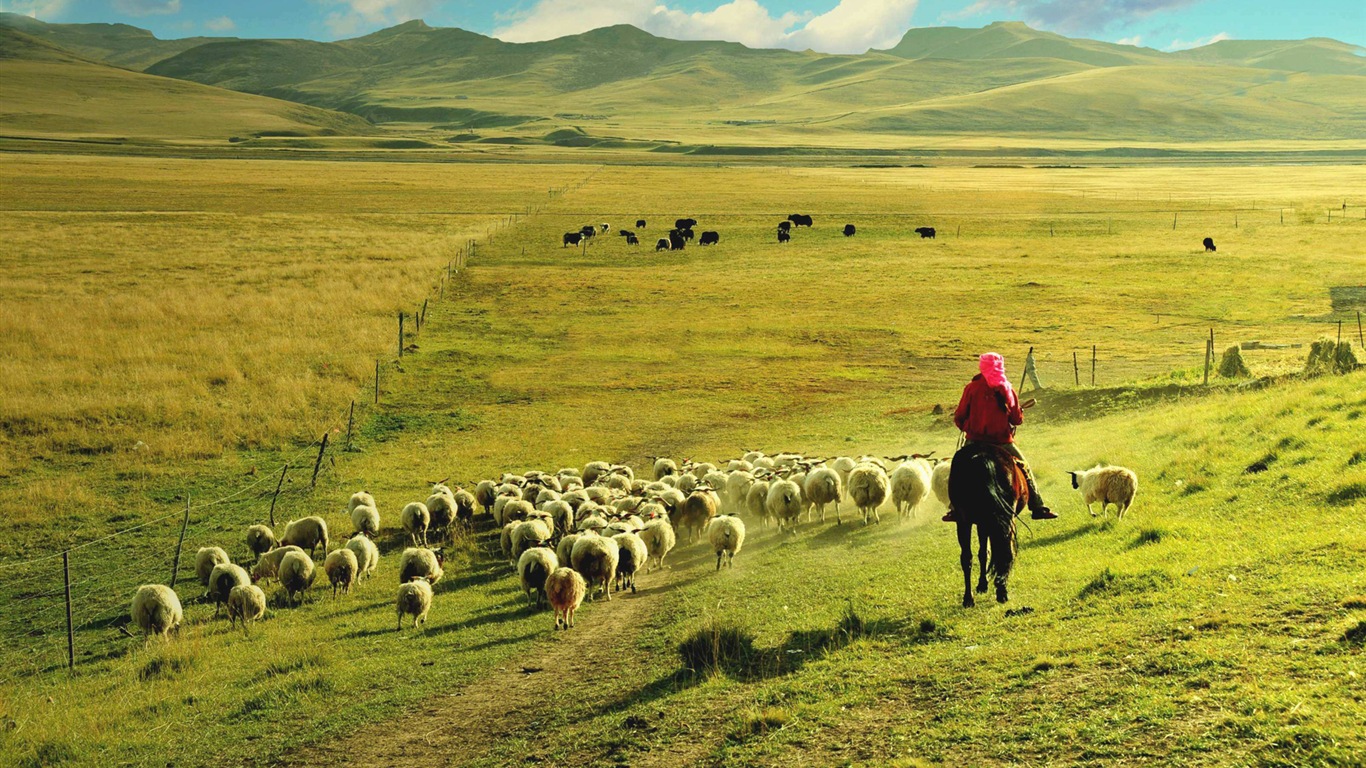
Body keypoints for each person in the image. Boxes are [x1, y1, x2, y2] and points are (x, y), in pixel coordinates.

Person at [942, 352, 1056, 521]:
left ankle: (954, 508)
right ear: (1000, 366)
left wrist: (969, 427)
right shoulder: (1006, 388)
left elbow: (959, 416)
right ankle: (1038, 506)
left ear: (982, 366)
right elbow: (1016, 419)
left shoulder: (971, 388)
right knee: (1025, 467)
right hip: (1001, 442)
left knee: (958, 469)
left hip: (974, 441)